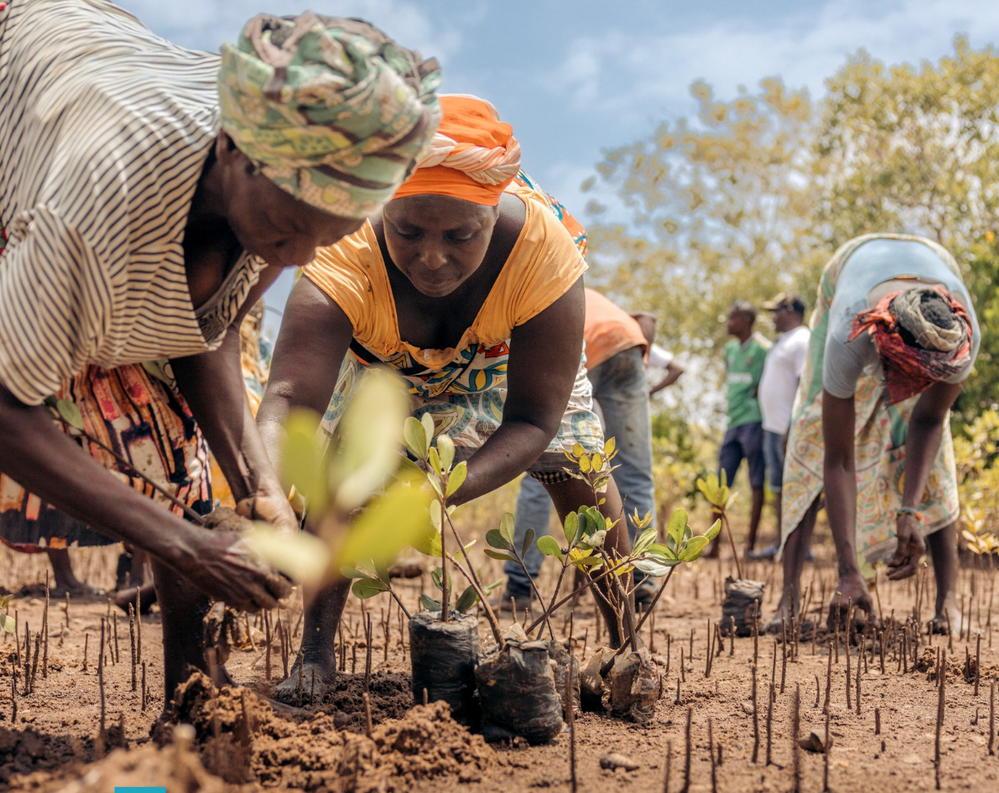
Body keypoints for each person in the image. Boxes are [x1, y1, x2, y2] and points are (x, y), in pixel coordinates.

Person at [0, 0, 441, 700]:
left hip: (103, 77)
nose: (297, 256)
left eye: (327, 238)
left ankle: (186, 708)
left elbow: (207, 325)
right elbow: (5, 407)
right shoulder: (88, 212)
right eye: (285, 228)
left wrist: (255, 481)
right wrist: (186, 547)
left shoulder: (287, 164)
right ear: (232, 150)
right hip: (26, 91)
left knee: (190, 478)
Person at [257, 95, 628, 701]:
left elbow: (535, 420)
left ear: (493, 213)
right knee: (341, 476)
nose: (432, 258)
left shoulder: (543, 249)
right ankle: (315, 655)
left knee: (581, 466)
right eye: (406, 231)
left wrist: (440, 486)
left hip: (506, 363)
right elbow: (289, 400)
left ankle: (623, 646)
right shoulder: (344, 248)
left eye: (460, 235)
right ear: (383, 209)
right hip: (383, 368)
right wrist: (266, 489)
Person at [768, 234, 980, 634]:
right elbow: (838, 458)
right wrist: (849, 570)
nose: (914, 389)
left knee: (938, 447)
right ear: (884, 349)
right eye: (908, 377)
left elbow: (928, 422)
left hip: (932, 258)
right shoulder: (847, 338)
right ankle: (788, 599)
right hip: (848, 266)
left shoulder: (960, 340)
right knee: (810, 435)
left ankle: (948, 602)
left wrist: (909, 511)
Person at [498, 291, 665, 612]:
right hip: (628, 345)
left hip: (578, 346)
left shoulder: (535, 284)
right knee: (635, 471)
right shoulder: (592, 296)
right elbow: (646, 320)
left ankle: (519, 588)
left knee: (541, 467)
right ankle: (643, 585)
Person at [705, 302, 771, 558]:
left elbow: (766, 385)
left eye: (732, 318)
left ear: (745, 320)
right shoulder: (730, 349)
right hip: (732, 423)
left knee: (756, 482)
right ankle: (714, 545)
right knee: (721, 483)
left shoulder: (764, 349)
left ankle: (750, 547)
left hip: (754, 422)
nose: (728, 323)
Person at [753, 292, 810, 558]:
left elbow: (804, 385)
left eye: (775, 311)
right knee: (778, 488)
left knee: (794, 487)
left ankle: (798, 547)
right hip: (773, 427)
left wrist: (793, 427)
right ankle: (782, 544)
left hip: (787, 429)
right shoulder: (783, 341)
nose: (772, 317)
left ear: (790, 311)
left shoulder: (802, 339)